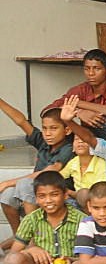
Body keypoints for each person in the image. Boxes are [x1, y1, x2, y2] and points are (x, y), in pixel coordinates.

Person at [0, 98, 73, 234]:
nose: (48, 133)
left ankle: (35, 238)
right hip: (36, 195)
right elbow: (21, 121)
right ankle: (20, 235)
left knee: (25, 184)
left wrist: (7, 182)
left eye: (54, 128)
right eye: (44, 128)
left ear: (67, 130)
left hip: (58, 197)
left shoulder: (68, 147)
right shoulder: (43, 143)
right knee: (7, 195)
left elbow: (49, 171)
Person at [43, 49, 106, 139]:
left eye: (97, 69)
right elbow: (47, 111)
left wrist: (78, 104)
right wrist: (79, 112)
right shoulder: (80, 89)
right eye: (87, 69)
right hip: (87, 137)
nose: (91, 73)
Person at [60, 135, 106, 209]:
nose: (80, 141)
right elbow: (59, 177)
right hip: (77, 202)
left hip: (95, 204)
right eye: (76, 139)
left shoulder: (101, 163)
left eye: (84, 139)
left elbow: (98, 193)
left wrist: (70, 192)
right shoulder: (74, 162)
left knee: (84, 193)